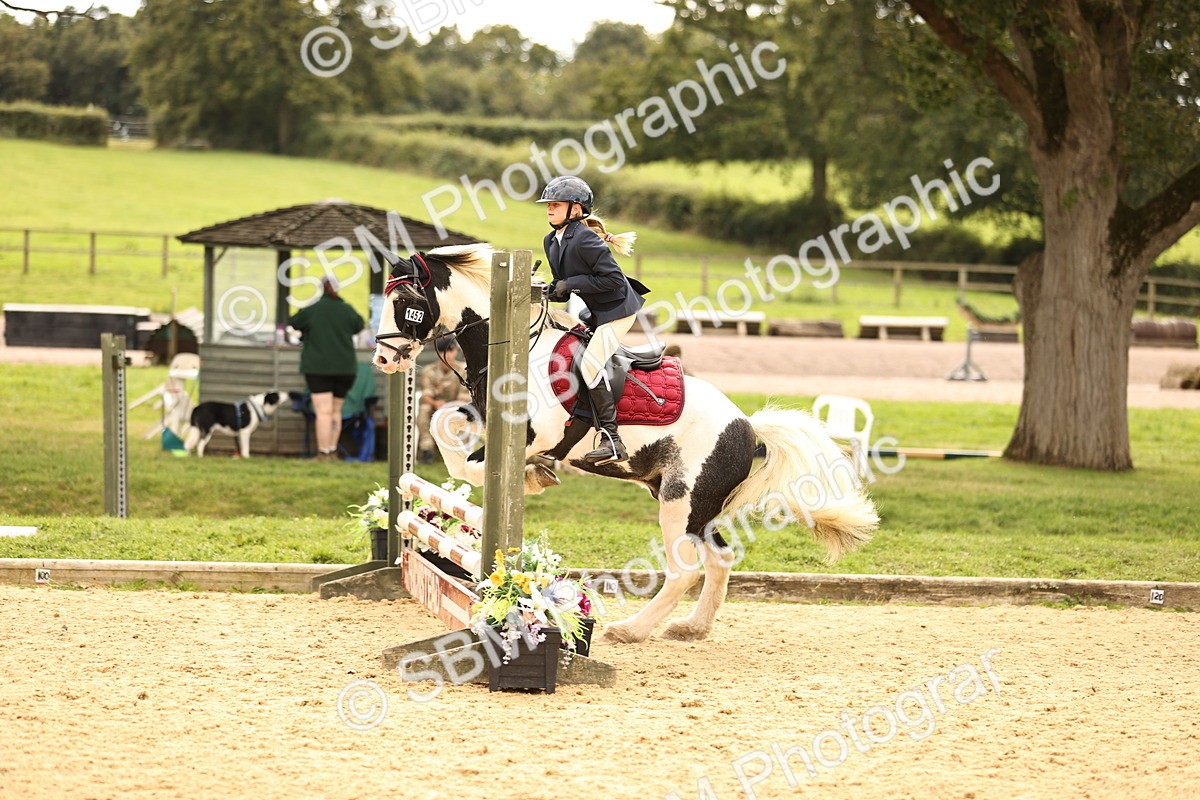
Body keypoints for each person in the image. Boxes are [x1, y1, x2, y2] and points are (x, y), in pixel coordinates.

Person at [538, 175, 650, 466]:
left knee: (590, 363)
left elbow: (612, 280)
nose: (549, 209)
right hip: (596, 312)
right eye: (548, 204)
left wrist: (570, 283)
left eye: (556, 204)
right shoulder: (551, 241)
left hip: (618, 310)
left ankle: (612, 439)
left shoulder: (585, 238)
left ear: (575, 209)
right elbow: (563, 289)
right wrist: (546, 291)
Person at [288, 278, 364, 461]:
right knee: (336, 411)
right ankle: (332, 451)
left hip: (318, 368)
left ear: (321, 288)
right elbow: (359, 325)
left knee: (323, 411)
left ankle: (323, 453)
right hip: (345, 369)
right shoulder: (347, 309)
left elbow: (295, 321)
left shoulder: (314, 309)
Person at [417, 337, 471, 463]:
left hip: (457, 407)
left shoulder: (464, 370)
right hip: (436, 407)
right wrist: (435, 403)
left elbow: (465, 397)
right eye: (442, 351)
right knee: (424, 409)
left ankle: (461, 452)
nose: (446, 355)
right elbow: (426, 395)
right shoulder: (429, 371)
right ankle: (427, 449)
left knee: (465, 412)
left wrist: (449, 406)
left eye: (450, 350)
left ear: (456, 351)